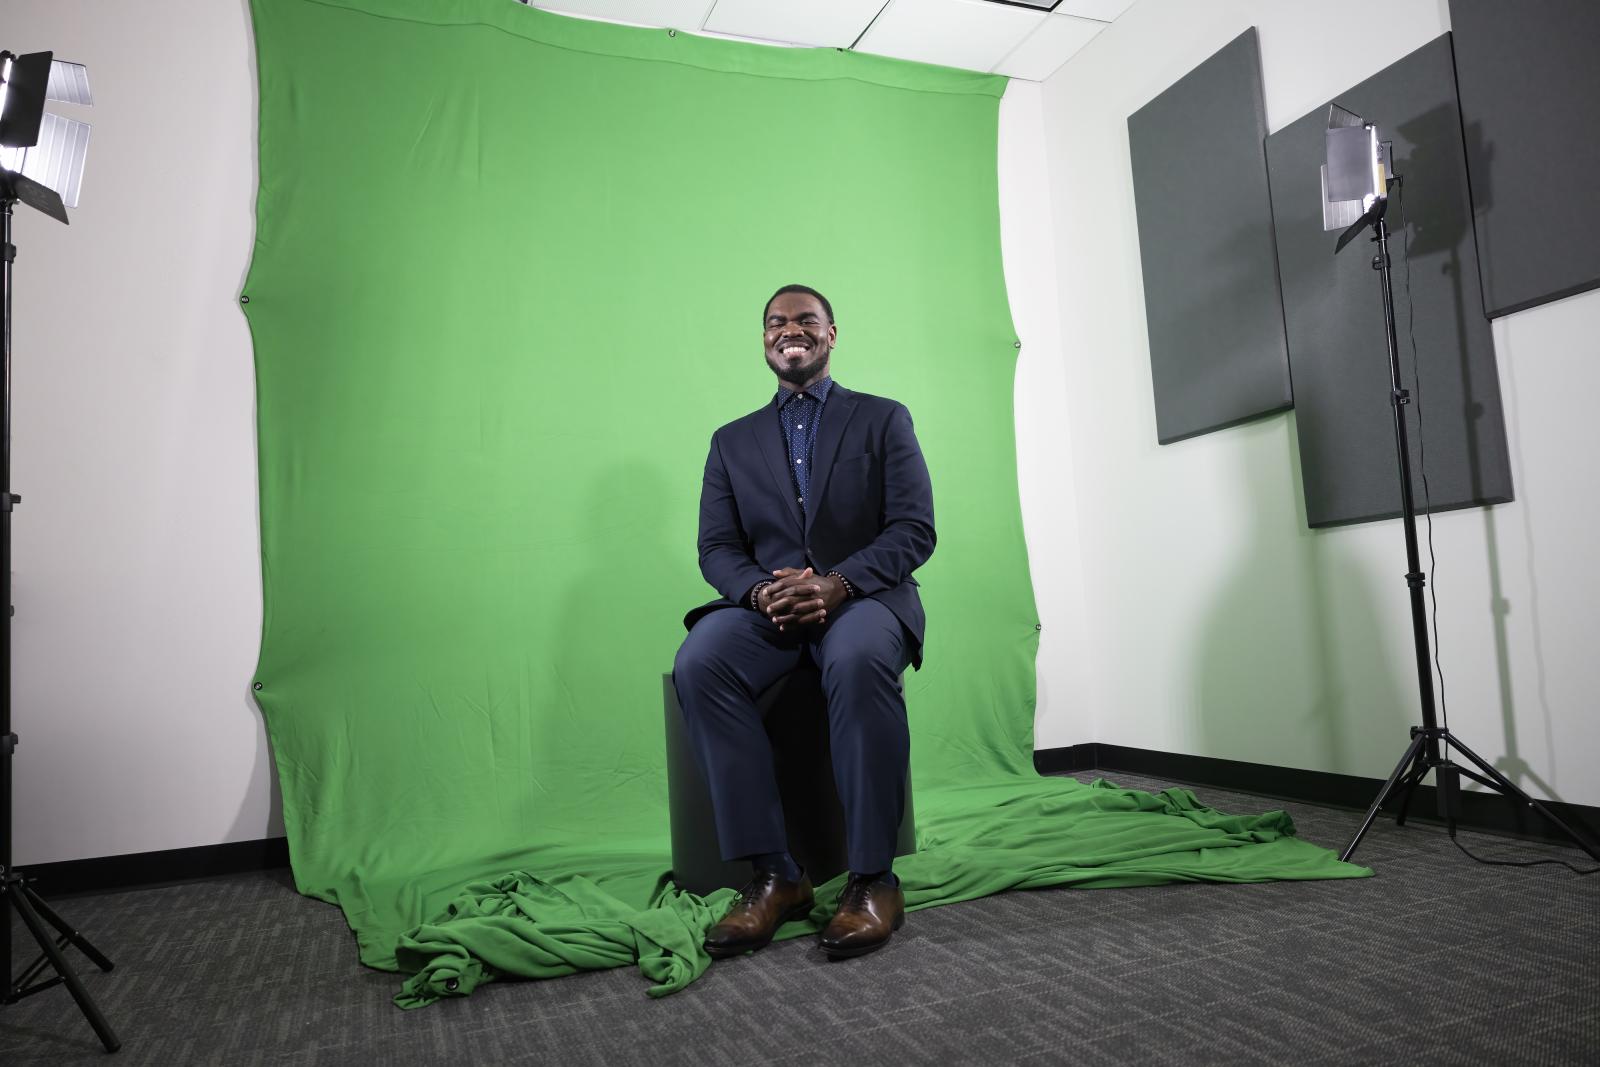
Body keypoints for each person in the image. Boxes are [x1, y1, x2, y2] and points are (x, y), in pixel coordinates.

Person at [672, 283, 936, 960]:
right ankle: (774, 874)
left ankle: (873, 879)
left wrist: (839, 582)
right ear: (765, 339)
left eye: (806, 320)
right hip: (772, 611)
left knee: (854, 658)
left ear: (831, 334)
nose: (790, 329)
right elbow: (716, 548)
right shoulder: (731, 442)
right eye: (776, 322)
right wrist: (761, 593)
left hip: (865, 600)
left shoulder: (882, 419)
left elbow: (914, 529)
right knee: (701, 660)